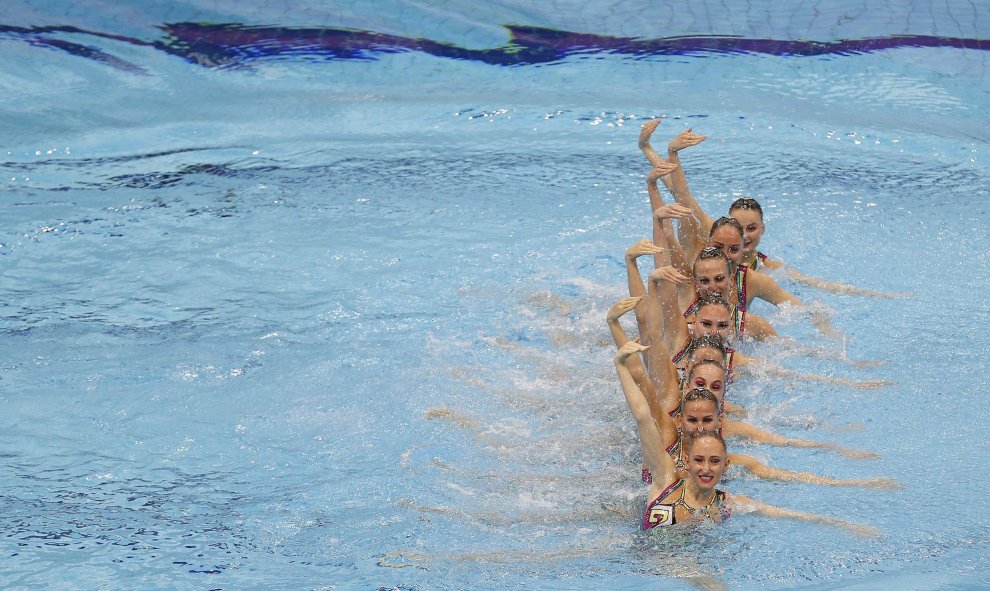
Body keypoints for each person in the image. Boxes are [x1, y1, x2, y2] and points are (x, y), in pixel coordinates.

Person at [614, 341, 882, 533]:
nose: (706, 468)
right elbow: (641, 414)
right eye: (699, 460)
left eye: (714, 461)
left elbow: (785, 513)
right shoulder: (665, 477)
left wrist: (841, 523)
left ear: (725, 465)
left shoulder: (727, 504)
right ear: (688, 461)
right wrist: (620, 364)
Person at [640, 119, 907, 298]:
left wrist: (872, 294)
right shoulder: (710, 239)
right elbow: (680, 193)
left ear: (763, 229)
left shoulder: (760, 269)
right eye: (738, 228)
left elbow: (811, 284)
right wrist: (660, 151)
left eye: (751, 228)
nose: (744, 235)